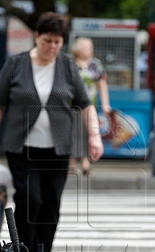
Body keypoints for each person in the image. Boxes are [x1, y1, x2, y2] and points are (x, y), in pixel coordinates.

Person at [0, 12, 104, 252]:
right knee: (30, 198)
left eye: (57, 42)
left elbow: (85, 105)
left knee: (51, 203)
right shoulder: (15, 65)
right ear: (36, 37)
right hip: (21, 147)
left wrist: (94, 136)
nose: (52, 47)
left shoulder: (68, 66)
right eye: (48, 40)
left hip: (57, 149)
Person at [69, 37, 111, 176]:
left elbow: (102, 85)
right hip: (71, 105)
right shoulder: (70, 63)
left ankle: (86, 165)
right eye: (87, 47)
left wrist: (105, 104)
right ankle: (71, 164)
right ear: (78, 49)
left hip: (89, 105)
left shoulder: (95, 65)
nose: (90, 50)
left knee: (90, 132)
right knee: (72, 133)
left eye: (91, 47)